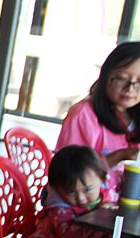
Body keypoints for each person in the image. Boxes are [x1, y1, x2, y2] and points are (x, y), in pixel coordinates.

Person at [56, 42, 140, 177]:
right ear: (105, 76)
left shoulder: (133, 115)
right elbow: (67, 173)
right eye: (121, 79)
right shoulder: (83, 115)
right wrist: (118, 156)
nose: (130, 89)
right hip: (84, 197)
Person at [27, 145, 115, 238]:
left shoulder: (106, 188)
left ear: (102, 178)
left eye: (88, 190)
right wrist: (98, 214)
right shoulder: (59, 208)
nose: (81, 198)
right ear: (57, 188)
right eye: (71, 192)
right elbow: (69, 235)